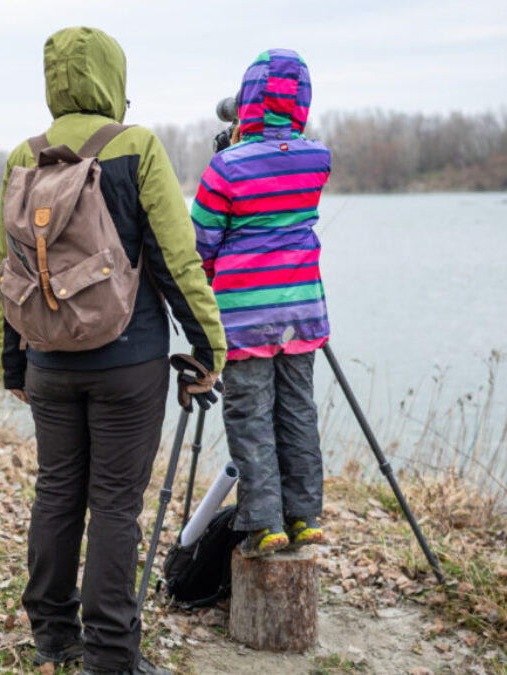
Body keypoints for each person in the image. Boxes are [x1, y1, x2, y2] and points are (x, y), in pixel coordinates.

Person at [0, 26, 226, 675]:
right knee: (116, 504)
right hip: (129, 361)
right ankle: (113, 654)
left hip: (47, 364)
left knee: (57, 492)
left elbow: (5, 271)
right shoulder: (137, 145)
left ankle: (52, 634)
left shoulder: (23, 156)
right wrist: (210, 348)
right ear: (113, 79)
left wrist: (14, 361)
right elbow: (179, 261)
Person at [191, 49, 332, 558]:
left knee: (251, 415)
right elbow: (279, 173)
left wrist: (225, 153)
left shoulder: (226, 168)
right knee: (298, 411)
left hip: (245, 319)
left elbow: (200, 241)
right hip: (302, 314)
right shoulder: (319, 159)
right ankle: (305, 516)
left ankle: (265, 523)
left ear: (247, 103)